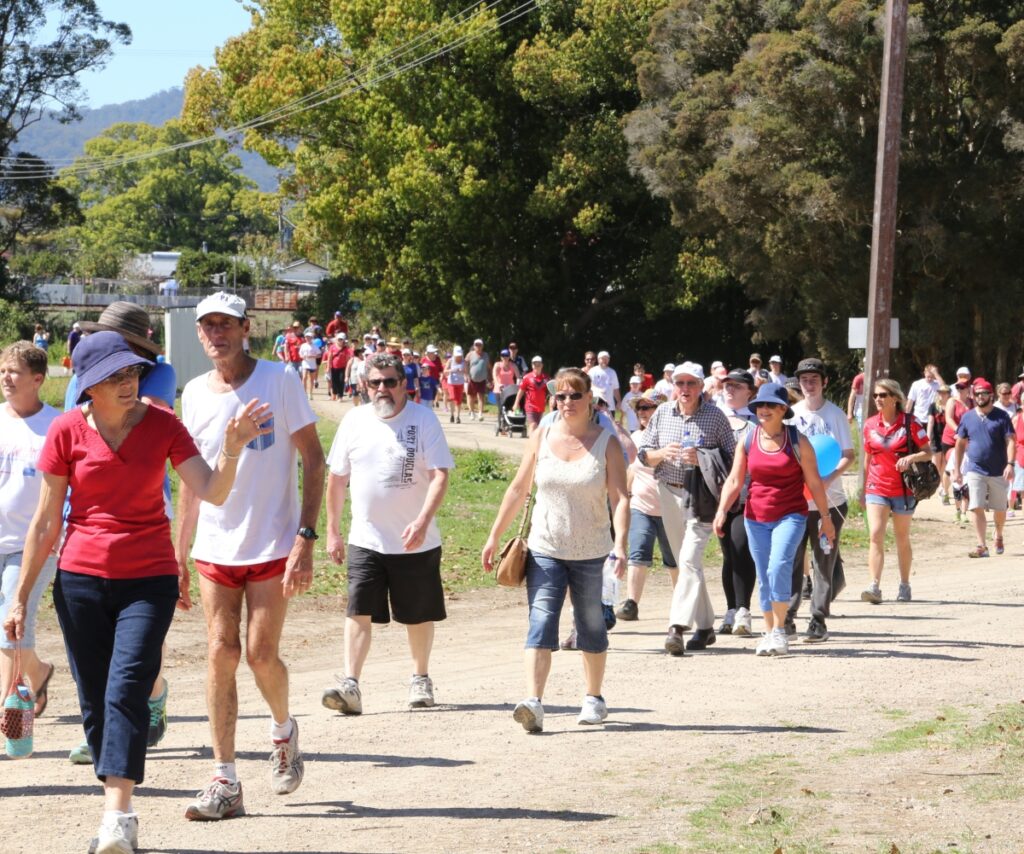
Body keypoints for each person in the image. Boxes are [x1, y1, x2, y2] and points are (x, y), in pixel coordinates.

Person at [4, 331, 268, 853]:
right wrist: (20, 596)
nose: (128, 384)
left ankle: (118, 816)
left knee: (126, 688)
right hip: (80, 582)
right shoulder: (65, 431)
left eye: (132, 374)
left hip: (148, 580)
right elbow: (43, 524)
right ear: (88, 385)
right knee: (96, 701)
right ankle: (115, 795)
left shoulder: (164, 426)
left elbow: (211, 490)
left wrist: (232, 449)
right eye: (114, 377)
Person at [176, 292, 325, 820]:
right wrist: (180, 550)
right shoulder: (193, 393)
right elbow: (191, 481)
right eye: (207, 326)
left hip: (273, 541)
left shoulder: (280, 381)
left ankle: (284, 730)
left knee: (261, 653)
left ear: (246, 328)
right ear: (199, 334)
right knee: (221, 651)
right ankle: (225, 780)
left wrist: (306, 537)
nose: (216, 334)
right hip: (215, 546)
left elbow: (313, 456)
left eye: (226, 324)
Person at [482, 368, 628, 732]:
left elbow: (621, 498)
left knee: (591, 624)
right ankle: (533, 702)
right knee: (541, 620)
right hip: (545, 547)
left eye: (574, 395)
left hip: (593, 551)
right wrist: (494, 535)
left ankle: (594, 697)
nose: (566, 402)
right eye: (560, 396)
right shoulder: (541, 435)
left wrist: (622, 544)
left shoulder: (606, 443)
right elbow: (518, 489)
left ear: (590, 399)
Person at [70, 301, 179, 762]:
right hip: (90, 504)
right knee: (95, 641)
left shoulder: (159, 375)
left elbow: (147, 415)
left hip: (148, 498)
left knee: (136, 632)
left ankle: (150, 694)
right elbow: (74, 421)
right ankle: (104, 726)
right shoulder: (85, 373)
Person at [321, 353, 454, 715]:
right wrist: (332, 531)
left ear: (404, 384)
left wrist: (424, 521)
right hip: (366, 539)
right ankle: (350, 685)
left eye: (390, 382)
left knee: (417, 614)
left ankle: (420, 677)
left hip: (416, 541)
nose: (383, 389)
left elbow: (441, 474)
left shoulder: (423, 419)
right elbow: (336, 480)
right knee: (358, 610)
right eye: (376, 383)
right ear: (365, 385)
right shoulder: (353, 421)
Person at [713, 383, 835, 656]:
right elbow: (735, 479)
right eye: (759, 406)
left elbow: (815, 484)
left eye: (769, 406)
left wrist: (825, 518)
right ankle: (768, 632)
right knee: (764, 575)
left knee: (778, 566)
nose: (763, 410)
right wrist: (722, 510)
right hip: (755, 516)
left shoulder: (798, 441)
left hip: (790, 515)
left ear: (783, 409)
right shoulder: (748, 439)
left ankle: (780, 631)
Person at [637, 362, 735, 655]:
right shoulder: (663, 413)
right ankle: (705, 626)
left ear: (702, 386)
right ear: (673, 386)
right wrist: (661, 454)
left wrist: (703, 458)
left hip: (702, 496)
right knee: (685, 563)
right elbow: (644, 455)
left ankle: (677, 627)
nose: (685, 389)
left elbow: (733, 460)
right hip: (668, 492)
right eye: (680, 383)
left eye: (691, 383)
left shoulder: (715, 417)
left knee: (690, 559)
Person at [0, 343, 59, 721]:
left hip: (32, 546)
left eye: (14, 372)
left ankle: (8, 717)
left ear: (37, 379)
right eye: (3, 370)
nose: (6, 378)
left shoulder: (57, 425)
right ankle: (37, 672)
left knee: (10, 629)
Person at [785, 358, 855, 642]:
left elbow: (848, 455)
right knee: (792, 559)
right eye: (804, 379)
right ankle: (787, 616)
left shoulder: (835, 415)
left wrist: (826, 479)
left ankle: (818, 619)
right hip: (797, 502)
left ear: (824, 382)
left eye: (814, 378)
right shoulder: (789, 414)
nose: (809, 384)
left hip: (831, 502)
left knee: (823, 560)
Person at [860, 379, 932, 605]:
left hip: (903, 488)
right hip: (877, 486)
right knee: (875, 534)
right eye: (875, 396)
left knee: (901, 537)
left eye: (883, 395)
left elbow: (929, 452)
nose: (878, 399)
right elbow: (868, 457)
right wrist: (864, 488)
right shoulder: (870, 424)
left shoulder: (910, 423)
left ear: (895, 398)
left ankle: (904, 584)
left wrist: (911, 457)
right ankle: (874, 585)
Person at [615, 389, 675, 622]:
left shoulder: (670, 436)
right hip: (641, 506)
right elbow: (632, 469)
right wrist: (625, 497)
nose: (642, 412)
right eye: (640, 408)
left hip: (670, 507)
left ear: (660, 410)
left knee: (674, 560)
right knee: (638, 552)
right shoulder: (636, 439)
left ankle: (681, 602)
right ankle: (631, 603)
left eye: (648, 407)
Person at [715, 369, 758, 637]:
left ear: (749, 392)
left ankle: (744, 610)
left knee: (742, 549)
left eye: (737, 386)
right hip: (719, 498)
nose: (730, 389)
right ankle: (730, 610)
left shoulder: (757, 422)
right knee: (729, 555)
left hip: (748, 497)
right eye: (727, 385)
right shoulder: (715, 418)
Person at [954, 378, 1015, 558]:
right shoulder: (968, 417)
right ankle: (982, 545)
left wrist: (1010, 464)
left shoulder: (1002, 416)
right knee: (976, 505)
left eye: (984, 393)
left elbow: (1011, 441)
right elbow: (959, 444)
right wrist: (957, 469)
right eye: (977, 393)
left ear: (991, 395)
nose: (980, 396)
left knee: (1000, 510)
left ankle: (999, 534)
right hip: (975, 468)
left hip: (999, 469)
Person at [513, 356, 550, 436]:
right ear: (532, 365)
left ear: (542, 365)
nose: (536, 366)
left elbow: (551, 391)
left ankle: (535, 443)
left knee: (538, 426)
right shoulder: (527, 377)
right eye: (534, 364)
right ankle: (531, 443)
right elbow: (521, 391)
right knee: (532, 425)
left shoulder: (546, 378)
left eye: (538, 364)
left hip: (540, 407)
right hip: (530, 406)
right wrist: (516, 403)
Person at [466, 338, 491, 421]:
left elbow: (488, 367)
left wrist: (490, 378)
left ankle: (480, 413)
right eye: (476, 345)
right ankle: (472, 412)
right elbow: (465, 364)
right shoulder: (470, 354)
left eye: (480, 345)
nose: (478, 346)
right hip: (472, 379)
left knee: (481, 397)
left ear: (482, 346)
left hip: (482, 379)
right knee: (471, 396)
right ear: (474, 346)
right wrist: (466, 375)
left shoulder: (486, 355)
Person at [324, 334, 351, 402]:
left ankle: (340, 396)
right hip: (334, 367)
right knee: (334, 382)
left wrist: (348, 368)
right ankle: (334, 394)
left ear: (343, 340)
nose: (340, 341)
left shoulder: (346, 349)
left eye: (341, 339)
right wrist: (328, 367)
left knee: (341, 381)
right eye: (339, 339)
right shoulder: (332, 347)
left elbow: (347, 359)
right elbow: (329, 358)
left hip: (342, 367)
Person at [444, 346, 467, 424]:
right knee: (452, 398)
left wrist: (463, 371)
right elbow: (445, 371)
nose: (459, 357)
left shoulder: (464, 361)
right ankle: (452, 415)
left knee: (458, 400)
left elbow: (466, 372)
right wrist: (452, 370)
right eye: (457, 355)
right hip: (451, 383)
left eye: (460, 355)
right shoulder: (450, 361)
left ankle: (458, 416)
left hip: (460, 383)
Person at [298, 331, 320, 399]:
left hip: (312, 365)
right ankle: (304, 393)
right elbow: (300, 354)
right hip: (305, 363)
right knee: (304, 378)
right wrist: (302, 357)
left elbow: (319, 355)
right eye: (306, 337)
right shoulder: (303, 345)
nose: (307, 338)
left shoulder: (315, 346)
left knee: (311, 379)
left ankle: (310, 393)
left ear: (311, 338)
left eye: (309, 337)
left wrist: (313, 356)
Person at [847, 364, 865, 429]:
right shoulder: (859, 378)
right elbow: (852, 396)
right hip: (861, 410)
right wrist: (849, 413)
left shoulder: (877, 377)